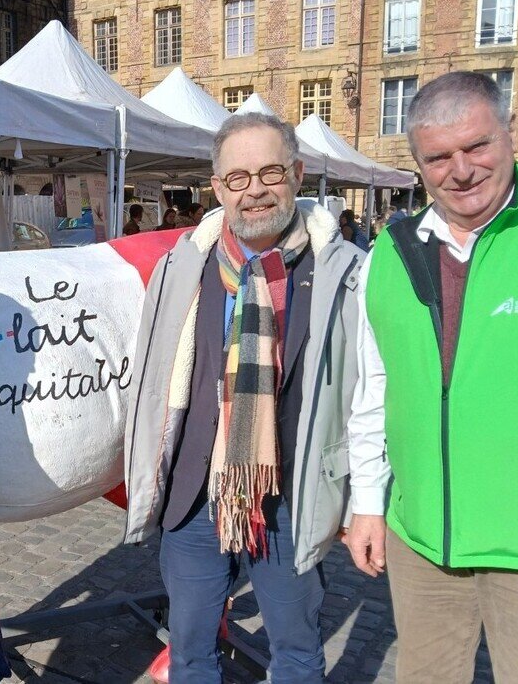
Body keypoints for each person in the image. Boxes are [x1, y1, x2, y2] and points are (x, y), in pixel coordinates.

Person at [123, 112, 364, 683]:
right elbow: (154, 374)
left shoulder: (344, 273)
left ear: (298, 175)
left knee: (298, 655)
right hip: (195, 499)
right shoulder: (184, 264)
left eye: (270, 172)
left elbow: (364, 395)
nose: (254, 189)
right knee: (190, 652)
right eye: (237, 178)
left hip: (291, 500)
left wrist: (358, 498)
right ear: (218, 188)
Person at [345, 71, 518, 683]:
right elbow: (373, 390)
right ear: (418, 165)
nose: (461, 170)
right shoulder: (389, 253)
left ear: (508, 135)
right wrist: (368, 505)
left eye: (476, 146)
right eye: (438, 157)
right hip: (423, 540)